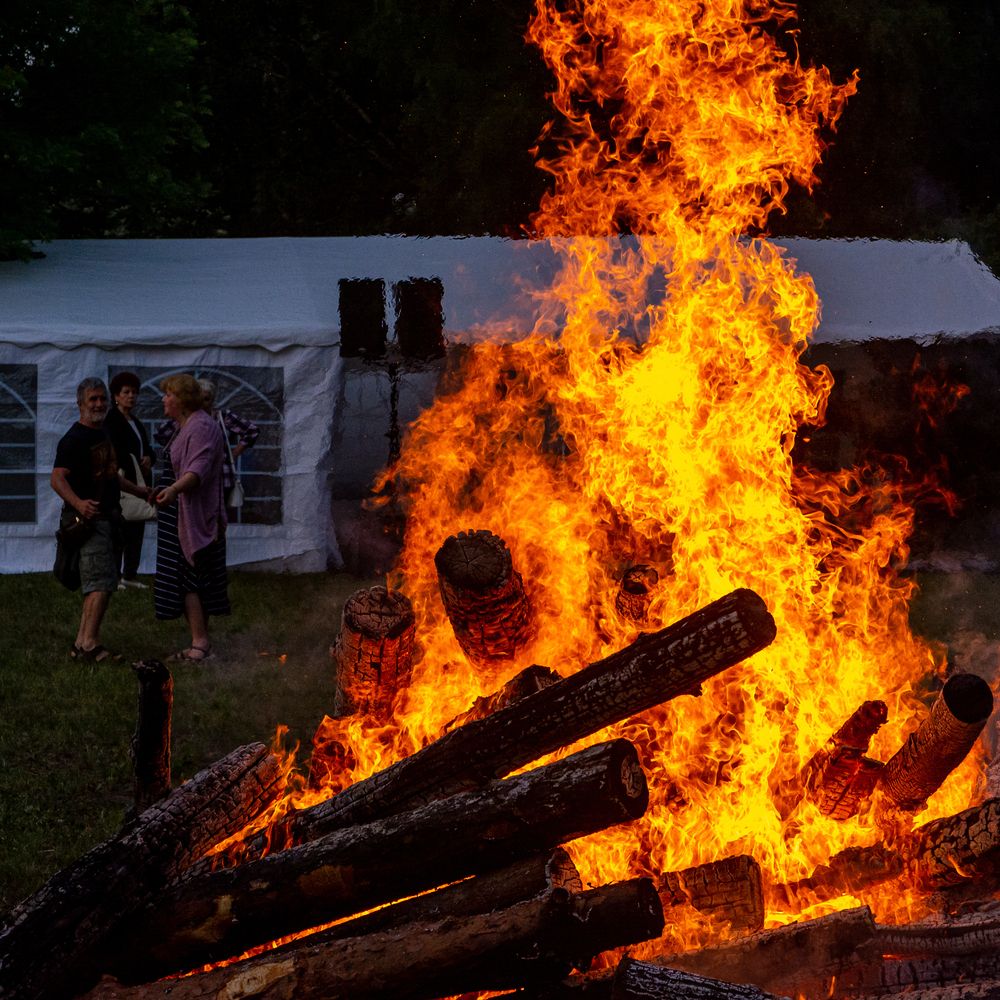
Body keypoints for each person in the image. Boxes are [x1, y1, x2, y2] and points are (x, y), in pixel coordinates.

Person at [50, 377, 151, 662]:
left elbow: (110, 476)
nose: (98, 404)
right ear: (80, 403)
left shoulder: (102, 434)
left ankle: (81, 643)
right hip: (88, 521)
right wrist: (79, 503)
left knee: (100, 581)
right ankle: (90, 644)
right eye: (92, 399)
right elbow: (57, 479)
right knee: (100, 583)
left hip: (107, 518)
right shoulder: (74, 439)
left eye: (102, 399)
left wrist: (141, 491)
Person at [153, 374, 230, 661]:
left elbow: (197, 470)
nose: (164, 399)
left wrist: (173, 489)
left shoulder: (202, 427)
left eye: (169, 395)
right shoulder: (184, 426)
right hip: (178, 510)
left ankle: (200, 644)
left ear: (182, 400)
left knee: (192, 577)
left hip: (194, 514)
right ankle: (200, 641)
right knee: (187, 575)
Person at [104, 371, 154, 589]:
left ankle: (130, 574)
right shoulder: (111, 421)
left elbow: (147, 448)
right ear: (116, 396)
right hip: (121, 480)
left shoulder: (136, 421)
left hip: (139, 481)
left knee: (137, 527)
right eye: (126, 392)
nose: (131, 396)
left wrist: (149, 458)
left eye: (134, 392)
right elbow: (113, 450)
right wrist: (134, 461)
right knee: (119, 529)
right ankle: (115, 575)